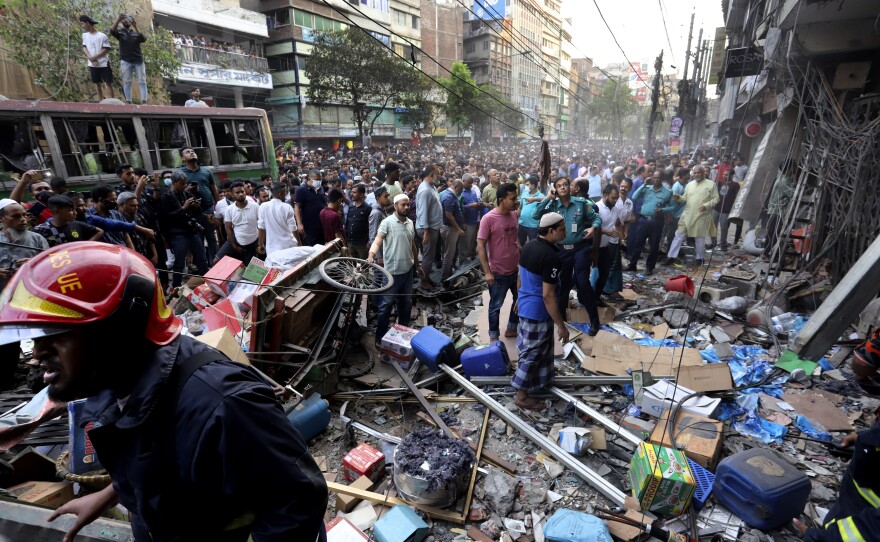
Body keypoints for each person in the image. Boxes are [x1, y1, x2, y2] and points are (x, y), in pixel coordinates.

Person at [0, 243, 328, 542]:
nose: (38, 351)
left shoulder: (225, 404)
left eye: (57, 333)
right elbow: (154, 455)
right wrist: (108, 495)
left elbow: (297, 508)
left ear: (118, 331)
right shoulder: (109, 386)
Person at [512, 212, 570, 411]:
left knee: (542, 349)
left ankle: (539, 383)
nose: (565, 231)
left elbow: (520, 274)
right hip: (538, 310)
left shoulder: (529, 245)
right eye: (562, 228)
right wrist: (561, 325)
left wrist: (519, 296)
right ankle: (521, 395)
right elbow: (548, 295)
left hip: (526, 305)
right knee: (533, 352)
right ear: (551, 231)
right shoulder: (552, 257)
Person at [532, 177, 601, 335]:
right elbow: (536, 215)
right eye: (559, 186)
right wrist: (548, 198)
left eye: (565, 185)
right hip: (561, 250)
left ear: (570, 187)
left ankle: (594, 321)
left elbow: (596, 217)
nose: (562, 188)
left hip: (580, 248)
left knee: (583, 282)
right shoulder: (552, 204)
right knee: (562, 284)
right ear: (555, 188)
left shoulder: (581, 203)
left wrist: (593, 228)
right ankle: (561, 318)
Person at [368, 194, 425, 341]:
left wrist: (417, 265)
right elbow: (378, 239)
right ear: (395, 206)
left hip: (408, 271)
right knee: (385, 306)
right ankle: (380, 338)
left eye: (408, 205)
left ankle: (401, 335)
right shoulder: (387, 222)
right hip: (391, 273)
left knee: (405, 304)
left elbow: (412, 244)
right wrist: (371, 255)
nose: (406, 207)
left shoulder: (410, 223)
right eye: (403, 205)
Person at [477, 182, 520, 340]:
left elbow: (515, 240)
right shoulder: (488, 219)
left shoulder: (514, 215)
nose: (516, 201)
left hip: (516, 270)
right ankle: (494, 335)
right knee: (495, 306)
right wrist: (487, 272)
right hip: (498, 273)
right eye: (513, 198)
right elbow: (480, 246)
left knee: (519, 300)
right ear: (502, 200)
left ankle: (512, 327)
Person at [158, 171, 209, 289]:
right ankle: (175, 287)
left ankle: (207, 282)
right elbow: (165, 218)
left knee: (202, 258)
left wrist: (197, 206)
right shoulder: (166, 197)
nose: (184, 186)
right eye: (181, 183)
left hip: (192, 230)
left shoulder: (187, 194)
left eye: (185, 183)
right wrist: (183, 208)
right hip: (178, 233)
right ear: (174, 182)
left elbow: (197, 212)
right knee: (179, 262)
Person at [663, 165, 719, 267]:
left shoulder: (711, 184)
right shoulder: (689, 185)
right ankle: (671, 257)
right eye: (695, 173)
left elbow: (716, 199)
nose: (696, 175)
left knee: (699, 239)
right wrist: (678, 197)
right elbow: (685, 198)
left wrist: (706, 205)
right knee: (678, 236)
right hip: (687, 215)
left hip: (701, 216)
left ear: (703, 173)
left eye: (699, 173)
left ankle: (699, 259)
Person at [178, 147, 220, 260]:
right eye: (187, 152)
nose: (191, 153)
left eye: (193, 151)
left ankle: (214, 263)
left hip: (208, 209)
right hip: (191, 213)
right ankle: (203, 265)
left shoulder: (206, 171)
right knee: (198, 240)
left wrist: (219, 207)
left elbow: (214, 190)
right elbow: (176, 193)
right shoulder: (180, 173)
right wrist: (187, 190)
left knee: (212, 238)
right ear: (183, 158)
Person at [626, 171, 671, 275]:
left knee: (654, 245)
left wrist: (663, 210)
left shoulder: (667, 192)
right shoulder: (647, 188)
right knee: (638, 243)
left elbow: (672, 207)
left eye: (659, 178)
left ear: (662, 178)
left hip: (657, 221)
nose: (656, 180)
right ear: (652, 178)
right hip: (643, 220)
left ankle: (649, 267)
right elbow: (635, 196)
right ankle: (632, 265)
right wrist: (644, 184)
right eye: (654, 178)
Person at [216, 181, 263, 265]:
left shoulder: (255, 206)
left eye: (242, 191)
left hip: (253, 242)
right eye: (237, 192)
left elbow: (261, 226)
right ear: (232, 194)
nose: (241, 194)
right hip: (236, 240)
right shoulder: (229, 209)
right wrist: (234, 246)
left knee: (252, 271)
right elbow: (228, 228)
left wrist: (259, 244)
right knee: (216, 261)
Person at [34, 196, 104, 247]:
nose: (75, 213)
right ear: (56, 210)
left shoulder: (76, 224)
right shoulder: (41, 230)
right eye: (70, 210)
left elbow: (99, 231)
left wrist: (86, 245)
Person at [415, 165, 442, 290]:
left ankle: (426, 276)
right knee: (428, 256)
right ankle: (424, 281)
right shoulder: (425, 190)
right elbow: (423, 212)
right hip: (428, 229)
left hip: (432, 228)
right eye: (438, 174)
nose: (440, 176)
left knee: (429, 255)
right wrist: (426, 231)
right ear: (431, 175)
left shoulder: (432, 187)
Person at [593, 184, 622, 302]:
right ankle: (587, 297)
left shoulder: (615, 209)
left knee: (604, 273)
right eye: (613, 198)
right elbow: (591, 228)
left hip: (605, 246)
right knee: (592, 273)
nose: (615, 201)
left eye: (617, 198)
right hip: (593, 247)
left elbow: (618, 222)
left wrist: (620, 234)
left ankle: (596, 297)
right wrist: (606, 232)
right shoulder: (596, 208)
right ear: (605, 195)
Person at [110, 13, 147, 104]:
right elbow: (111, 31)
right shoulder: (120, 32)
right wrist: (118, 19)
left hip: (138, 60)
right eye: (124, 19)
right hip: (125, 60)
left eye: (128, 19)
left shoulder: (135, 33)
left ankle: (144, 101)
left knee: (142, 81)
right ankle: (128, 101)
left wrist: (135, 26)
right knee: (127, 81)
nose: (126, 20)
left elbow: (143, 39)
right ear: (122, 21)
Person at [763, 159, 796, 259]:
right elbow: (793, 194)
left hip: (777, 211)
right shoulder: (783, 181)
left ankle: (768, 253)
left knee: (773, 232)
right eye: (794, 167)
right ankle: (768, 254)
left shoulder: (784, 179)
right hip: (777, 211)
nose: (795, 170)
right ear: (790, 168)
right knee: (774, 233)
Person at [258, 182, 299, 258]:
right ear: (280, 194)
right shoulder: (287, 207)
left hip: (272, 249)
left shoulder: (263, 207)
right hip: (289, 246)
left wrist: (260, 244)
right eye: (285, 192)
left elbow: (261, 228)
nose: (286, 194)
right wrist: (299, 243)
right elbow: (293, 228)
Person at [80, 15, 114, 101]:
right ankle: (100, 101)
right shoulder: (84, 35)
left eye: (83, 24)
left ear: (87, 23)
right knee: (97, 83)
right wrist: (91, 58)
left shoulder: (102, 36)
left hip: (103, 63)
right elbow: (84, 47)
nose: (82, 26)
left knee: (108, 83)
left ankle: (113, 102)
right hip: (92, 64)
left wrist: (94, 57)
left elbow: (106, 49)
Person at [117, 191, 157, 264]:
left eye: (137, 205)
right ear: (121, 205)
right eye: (132, 206)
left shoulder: (139, 216)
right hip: (128, 260)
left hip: (144, 255)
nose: (136, 208)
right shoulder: (116, 220)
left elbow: (150, 236)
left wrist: (155, 254)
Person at [439, 179, 465, 282]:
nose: (461, 191)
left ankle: (447, 273)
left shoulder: (450, 195)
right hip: (450, 228)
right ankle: (445, 278)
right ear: (456, 187)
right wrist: (458, 229)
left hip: (451, 228)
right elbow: (448, 215)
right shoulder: (449, 197)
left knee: (448, 253)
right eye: (461, 189)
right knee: (449, 255)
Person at [294, 169, 328, 246]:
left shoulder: (320, 188)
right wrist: (299, 224)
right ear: (309, 179)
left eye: (320, 179)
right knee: (312, 246)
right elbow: (297, 207)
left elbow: (323, 203)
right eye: (316, 180)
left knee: (322, 245)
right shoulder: (301, 190)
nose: (319, 181)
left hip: (322, 223)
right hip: (309, 225)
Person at [713, 168, 740, 251]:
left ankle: (723, 243)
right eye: (724, 174)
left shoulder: (735, 185)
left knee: (724, 227)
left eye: (726, 174)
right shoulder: (719, 183)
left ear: (731, 176)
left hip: (726, 210)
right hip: (716, 208)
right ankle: (713, 243)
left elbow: (737, 197)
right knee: (713, 226)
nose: (724, 175)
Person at [459, 174, 482, 262]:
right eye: (469, 183)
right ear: (463, 181)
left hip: (474, 220)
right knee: (464, 243)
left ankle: (467, 259)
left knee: (471, 242)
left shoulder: (472, 191)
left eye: (472, 183)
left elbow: (477, 201)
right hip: (466, 221)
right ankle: (462, 261)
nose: (471, 185)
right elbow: (459, 208)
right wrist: (470, 206)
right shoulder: (460, 192)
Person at [344, 184, 372, 259]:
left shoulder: (367, 208)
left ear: (361, 194)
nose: (351, 194)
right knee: (352, 264)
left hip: (362, 244)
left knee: (363, 265)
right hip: (350, 242)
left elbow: (370, 226)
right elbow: (347, 223)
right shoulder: (351, 207)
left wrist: (368, 241)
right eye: (351, 192)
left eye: (354, 192)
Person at [517, 175, 543, 246]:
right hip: (522, 224)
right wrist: (517, 219)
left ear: (533, 185)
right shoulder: (524, 193)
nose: (526, 186)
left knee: (533, 245)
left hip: (533, 226)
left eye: (527, 185)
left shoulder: (541, 197)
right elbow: (520, 207)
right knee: (520, 244)